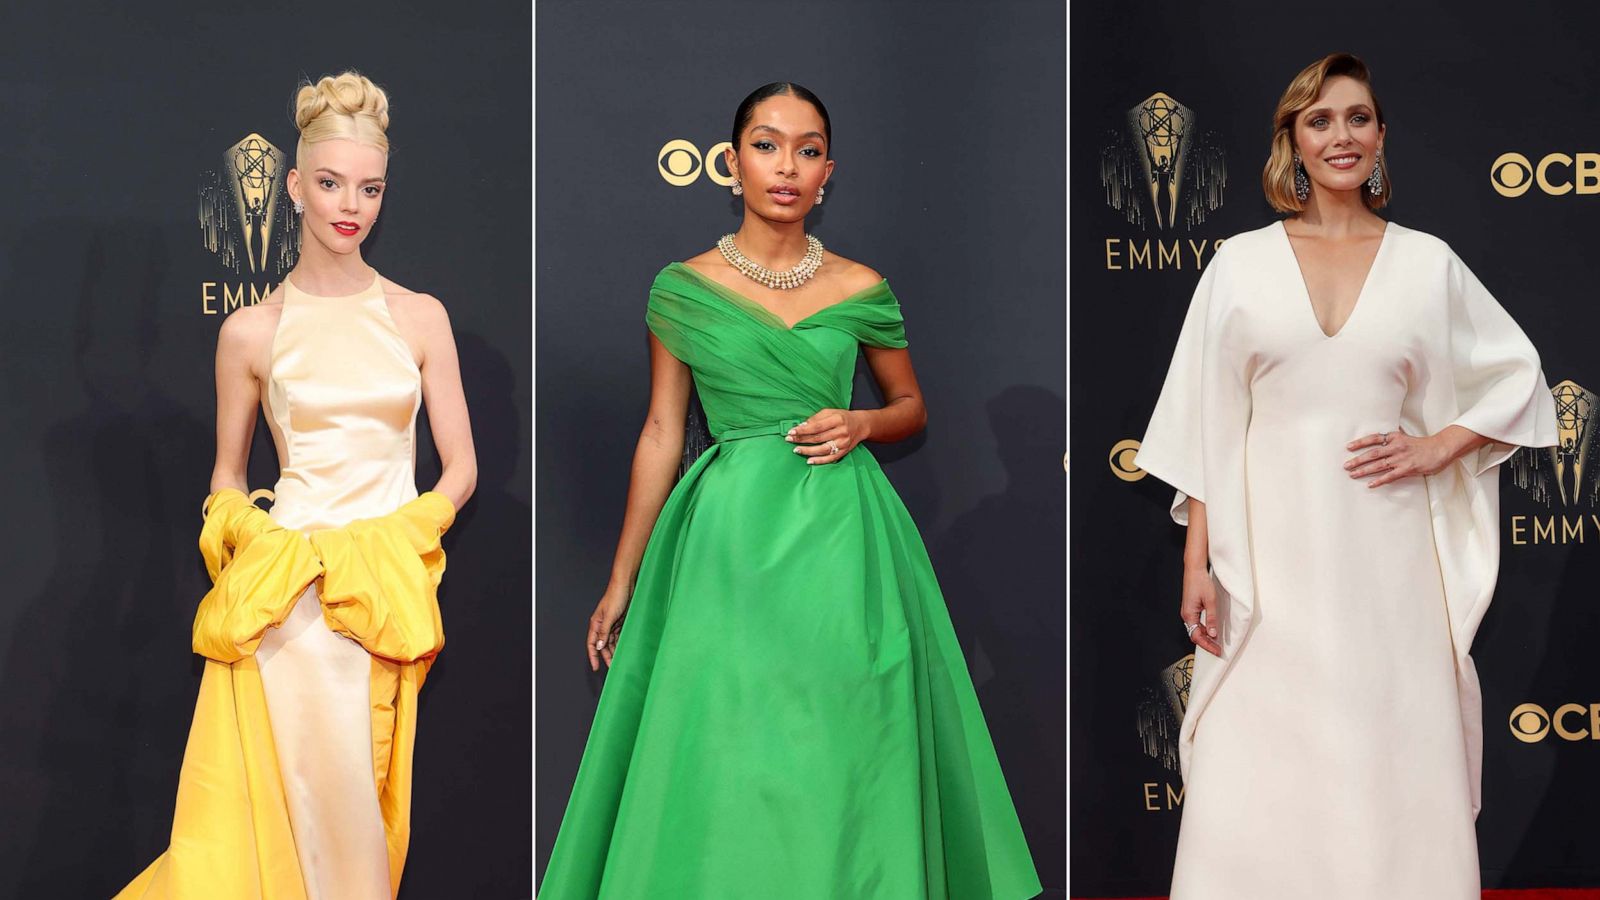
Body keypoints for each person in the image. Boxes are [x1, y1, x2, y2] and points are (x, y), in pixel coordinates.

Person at [538, 82, 1042, 899]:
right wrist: (623, 577)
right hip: (727, 543)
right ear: (732, 164)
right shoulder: (681, 289)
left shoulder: (861, 288)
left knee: (844, 739)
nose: (786, 166)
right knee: (731, 744)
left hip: (843, 537)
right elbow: (664, 433)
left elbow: (910, 407)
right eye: (767, 145)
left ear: (827, 173)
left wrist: (861, 424)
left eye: (807, 150)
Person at [1134, 53, 1558, 898]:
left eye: (1358, 118)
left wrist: (1439, 445)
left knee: (1388, 752)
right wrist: (1198, 564)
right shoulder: (1240, 265)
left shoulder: (1428, 263)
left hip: (1388, 560)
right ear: (1291, 140)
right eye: (1320, 120)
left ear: (1381, 138)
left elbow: (1520, 378)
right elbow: (1207, 424)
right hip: (1267, 568)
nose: (1341, 136)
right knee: (1258, 762)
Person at [116, 71, 476, 900]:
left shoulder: (421, 317)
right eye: (330, 183)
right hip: (288, 601)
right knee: (282, 814)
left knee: (361, 810)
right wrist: (254, 536)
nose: (351, 205)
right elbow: (227, 476)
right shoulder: (251, 330)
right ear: (294, 187)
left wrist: (397, 533)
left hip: (378, 589)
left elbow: (461, 468)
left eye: (370, 188)